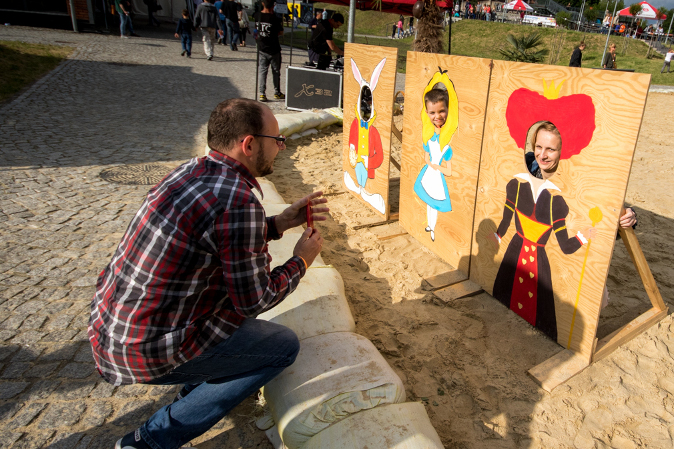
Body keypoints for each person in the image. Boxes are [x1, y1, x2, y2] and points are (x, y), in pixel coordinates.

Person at [90, 98, 327, 449]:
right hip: (144, 347)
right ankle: (150, 440)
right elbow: (255, 300)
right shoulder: (238, 200)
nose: (280, 147)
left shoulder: (194, 170)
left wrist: (278, 223)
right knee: (281, 346)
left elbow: (220, 237)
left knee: (237, 326)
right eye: (277, 140)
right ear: (249, 144)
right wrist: (301, 261)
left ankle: (196, 383)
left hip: (112, 329)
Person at [414, 86, 456, 243]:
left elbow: (449, 171)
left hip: (437, 174)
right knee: (429, 202)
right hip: (429, 174)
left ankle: (433, 228)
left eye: (441, 111)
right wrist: (429, 165)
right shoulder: (429, 137)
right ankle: (430, 226)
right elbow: (426, 157)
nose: (437, 116)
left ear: (448, 110)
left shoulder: (446, 146)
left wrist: (436, 167)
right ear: (426, 113)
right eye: (432, 112)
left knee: (435, 204)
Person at [256, 0, 285, 102]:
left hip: (262, 48)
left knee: (262, 71)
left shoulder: (257, 16)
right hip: (274, 49)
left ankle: (261, 93)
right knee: (276, 71)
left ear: (263, 3)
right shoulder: (275, 19)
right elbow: (281, 32)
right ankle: (277, 92)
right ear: (273, 6)